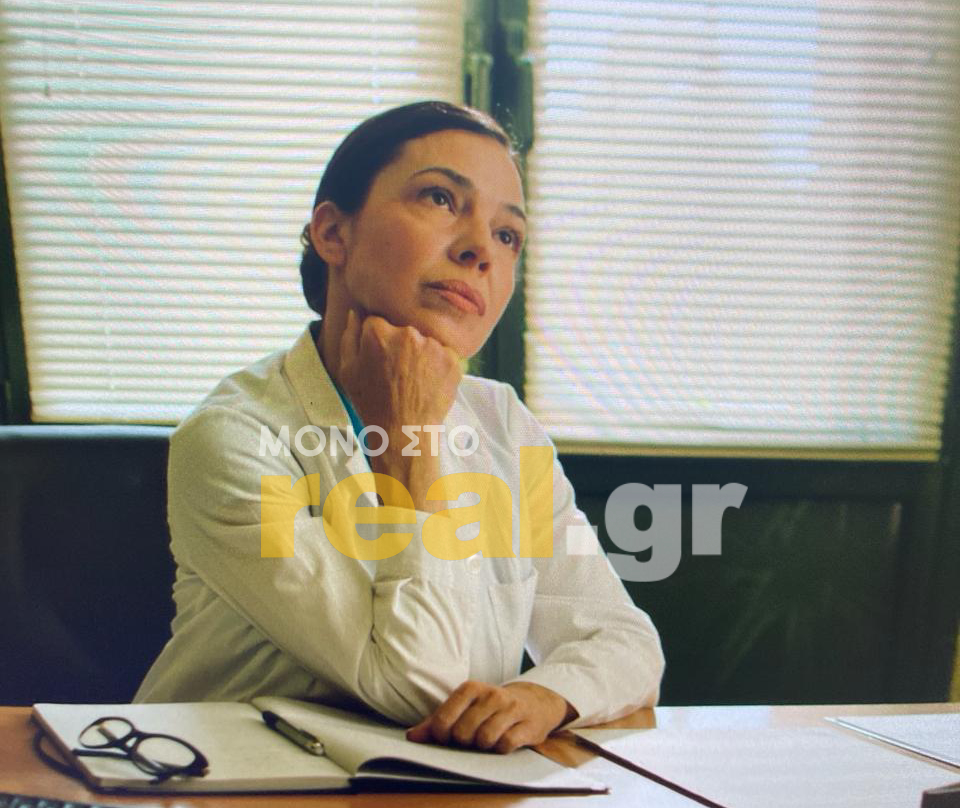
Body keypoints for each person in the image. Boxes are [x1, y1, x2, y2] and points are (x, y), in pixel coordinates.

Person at [136, 101, 664, 752]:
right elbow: (419, 686)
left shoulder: (504, 425)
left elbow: (625, 642)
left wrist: (545, 695)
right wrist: (411, 435)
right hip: (218, 791)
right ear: (333, 233)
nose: (480, 250)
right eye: (440, 198)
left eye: (508, 235)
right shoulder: (233, 437)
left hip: (441, 797)